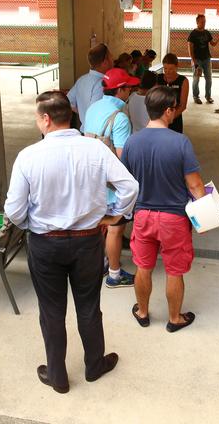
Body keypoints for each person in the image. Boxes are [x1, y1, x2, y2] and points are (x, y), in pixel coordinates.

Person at [4, 91, 139, 393]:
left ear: (46, 119)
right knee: (89, 306)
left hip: (45, 244)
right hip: (87, 242)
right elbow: (130, 186)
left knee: (51, 311)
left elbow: (13, 210)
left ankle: (58, 376)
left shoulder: (28, 156)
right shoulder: (95, 150)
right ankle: (94, 365)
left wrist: (32, 225)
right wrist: (114, 216)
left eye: (37, 117)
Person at [121, 86, 206, 332]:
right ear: (169, 111)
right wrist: (204, 217)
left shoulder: (132, 142)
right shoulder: (180, 142)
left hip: (143, 215)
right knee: (174, 270)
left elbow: (126, 182)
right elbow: (195, 184)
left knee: (143, 266)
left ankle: (143, 312)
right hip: (174, 218)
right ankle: (174, 318)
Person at [83, 68, 140, 288]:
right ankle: (115, 275)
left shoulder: (92, 108)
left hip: (91, 179)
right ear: (120, 90)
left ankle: (102, 263)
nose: (131, 91)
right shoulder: (120, 117)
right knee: (116, 228)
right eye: (128, 87)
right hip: (111, 185)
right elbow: (121, 157)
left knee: (98, 225)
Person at [67, 43, 113, 130]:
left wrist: (82, 113)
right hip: (97, 134)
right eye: (111, 57)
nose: (113, 60)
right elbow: (95, 111)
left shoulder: (82, 79)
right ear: (105, 62)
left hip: (85, 130)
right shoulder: (101, 84)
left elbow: (68, 102)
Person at [188, 14, 218, 104]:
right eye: (202, 22)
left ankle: (208, 96)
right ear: (197, 22)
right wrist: (194, 61)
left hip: (206, 58)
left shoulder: (207, 32)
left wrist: (218, 40)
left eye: (205, 22)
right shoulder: (193, 34)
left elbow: (213, 44)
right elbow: (190, 48)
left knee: (209, 78)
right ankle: (196, 96)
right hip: (197, 59)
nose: (204, 23)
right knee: (196, 78)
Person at [157, 53, 189, 134]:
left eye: (171, 69)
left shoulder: (183, 81)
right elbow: (154, 100)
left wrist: (169, 119)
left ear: (177, 66)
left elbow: (183, 105)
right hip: (159, 117)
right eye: (165, 68)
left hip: (175, 118)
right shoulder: (158, 78)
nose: (168, 72)